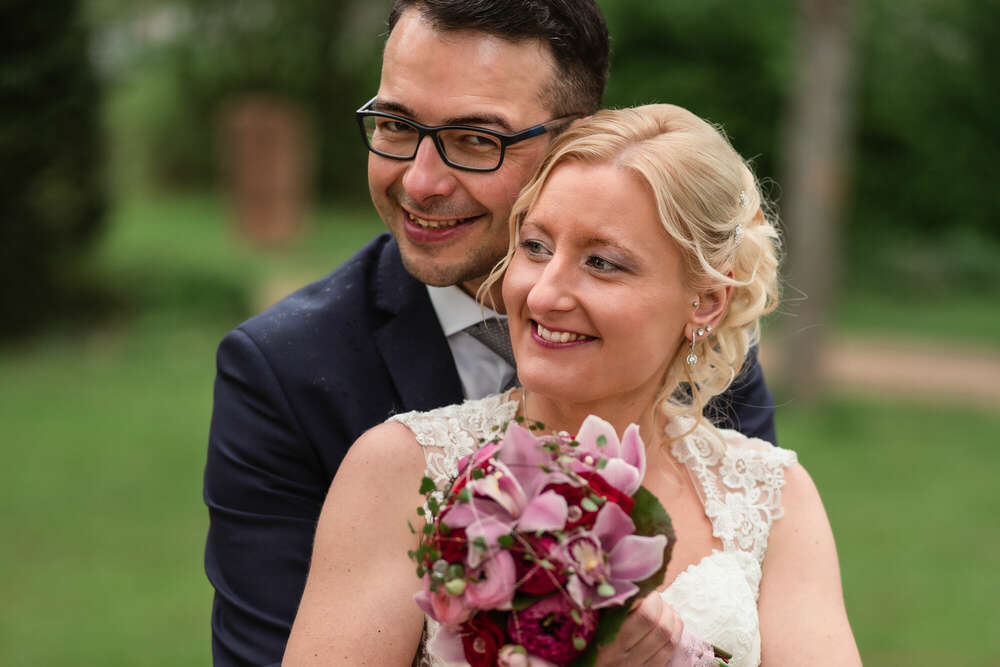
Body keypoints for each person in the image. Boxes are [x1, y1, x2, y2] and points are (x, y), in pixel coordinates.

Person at [203, 2, 776, 664]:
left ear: (576, 141)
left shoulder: (678, 346)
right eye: (394, 124)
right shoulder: (287, 370)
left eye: (477, 139)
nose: (419, 181)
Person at [283, 104, 861, 666]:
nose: (541, 294)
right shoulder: (403, 469)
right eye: (535, 247)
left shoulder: (770, 496)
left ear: (707, 300)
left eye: (602, 262)